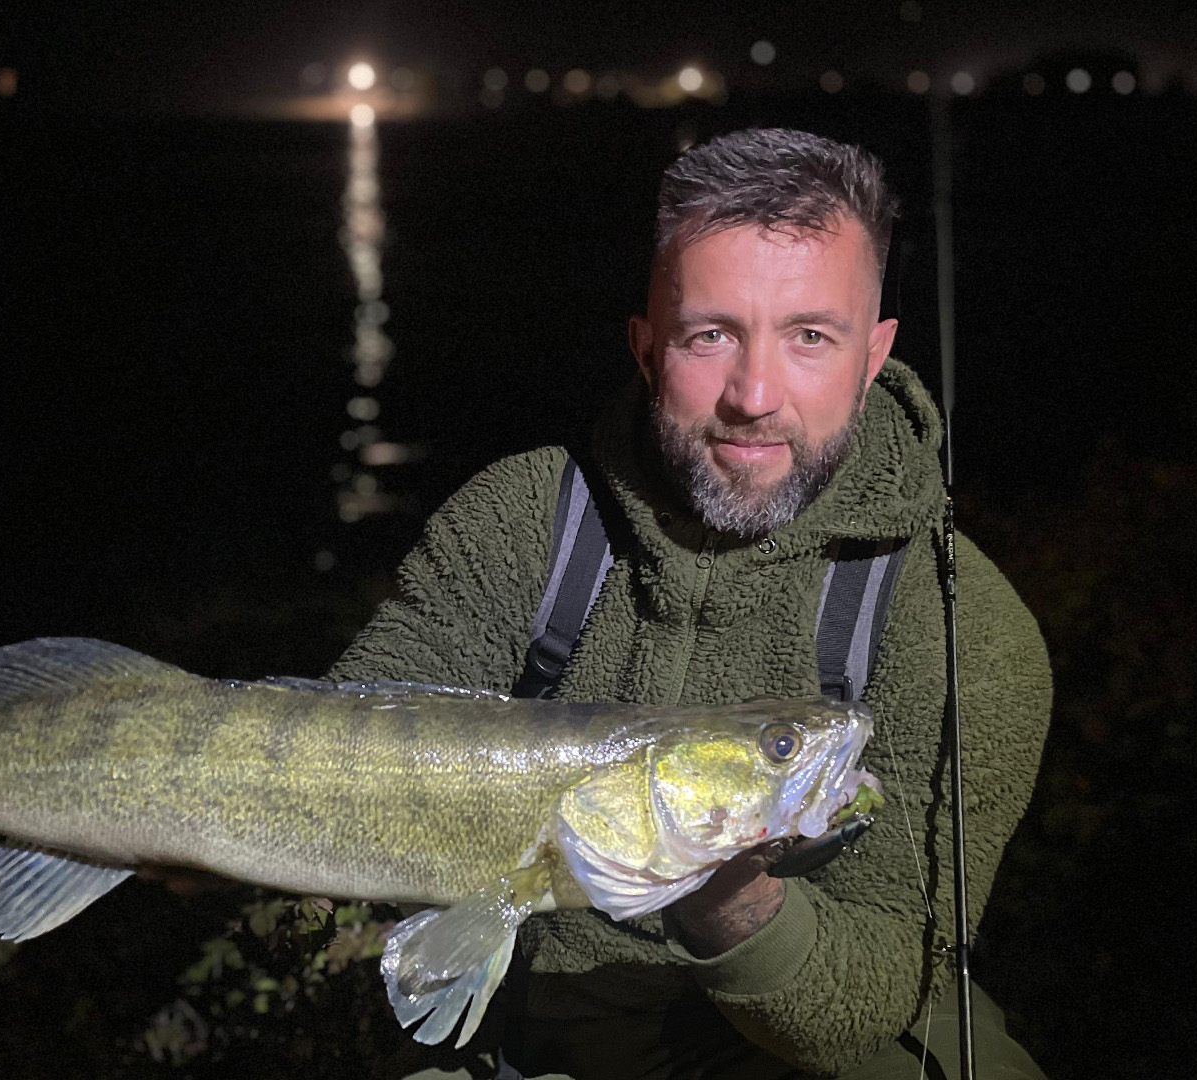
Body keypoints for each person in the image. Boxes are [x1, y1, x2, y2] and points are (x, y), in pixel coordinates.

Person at [329, 128, 1053, 1079]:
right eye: (710, 335)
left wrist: (711, 881)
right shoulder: (521, 520)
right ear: (645, 347)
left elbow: (871, 989)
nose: (754, 395)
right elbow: (349, 731)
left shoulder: (966, 630)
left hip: (802, 1047)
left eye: (810, 338)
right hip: (544, 1026)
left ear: (874, 356)